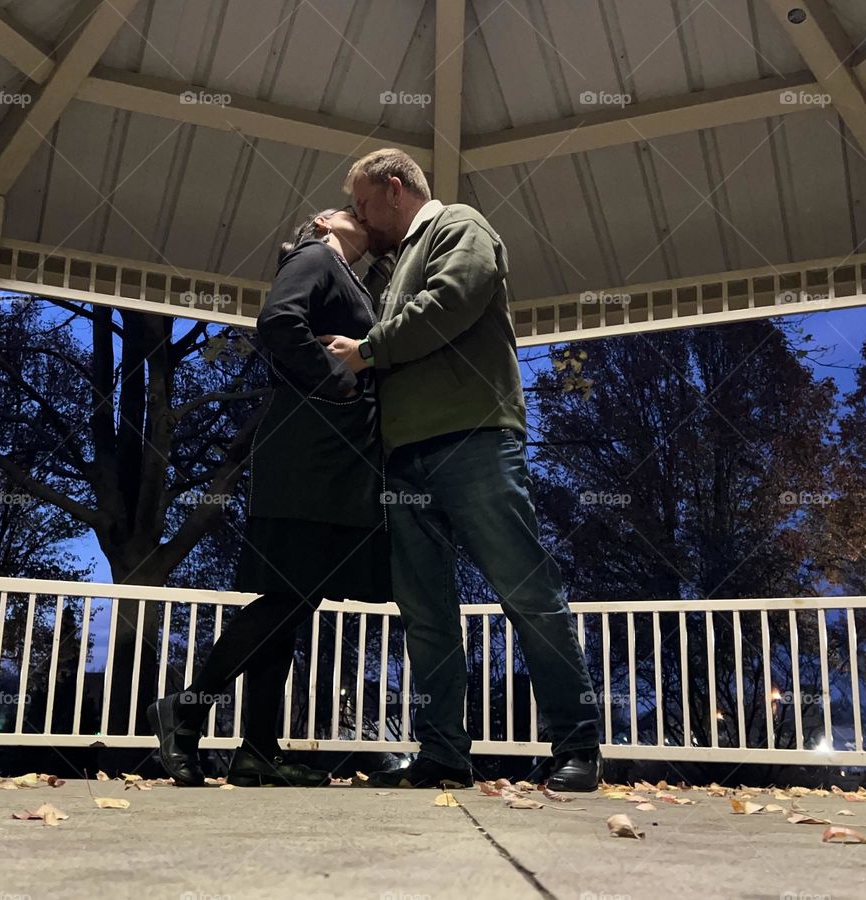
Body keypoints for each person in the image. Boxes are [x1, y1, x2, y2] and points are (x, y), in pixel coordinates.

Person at [320, 149, 603, 791]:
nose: (360, 213)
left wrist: (368, 350)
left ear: (395, 189)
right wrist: (347, 238)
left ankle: (577, 745)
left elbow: (451, 302)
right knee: (425, 610)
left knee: (527, 592)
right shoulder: (392, 268)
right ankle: (443, 751)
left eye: (363, 202)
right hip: (404, 458)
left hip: (474, 438)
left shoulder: (460, 226)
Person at [148, 207, 391, 787]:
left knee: (294, 595)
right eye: (352, 210)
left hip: (330, 451)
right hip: (311, 448)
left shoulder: (349, 275)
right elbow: (279, 320)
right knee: (296, 592)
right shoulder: (316, 256)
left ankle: (257, 749)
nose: (363, 217)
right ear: (323, 222)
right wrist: (340, 382)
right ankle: (187, 708)